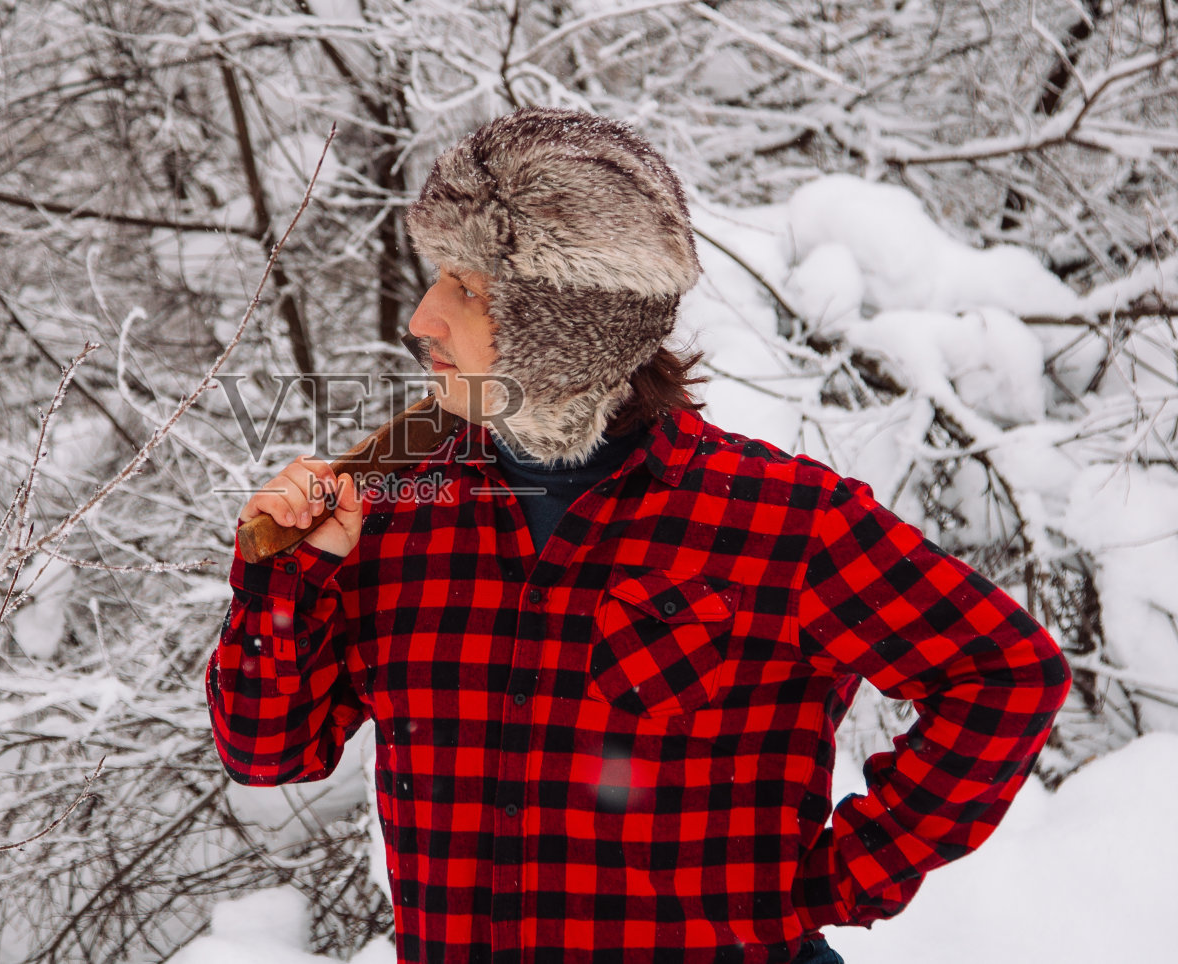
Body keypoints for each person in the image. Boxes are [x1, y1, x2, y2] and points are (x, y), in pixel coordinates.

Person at [207, 108, 1070, 964]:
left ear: (564, 324)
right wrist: (288, 575)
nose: (423, 318)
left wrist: (839, 880)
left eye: (466, 288)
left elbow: (1004, 673)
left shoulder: (777, 519)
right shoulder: (391, 511)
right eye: (437, 276)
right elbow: (267, 750)